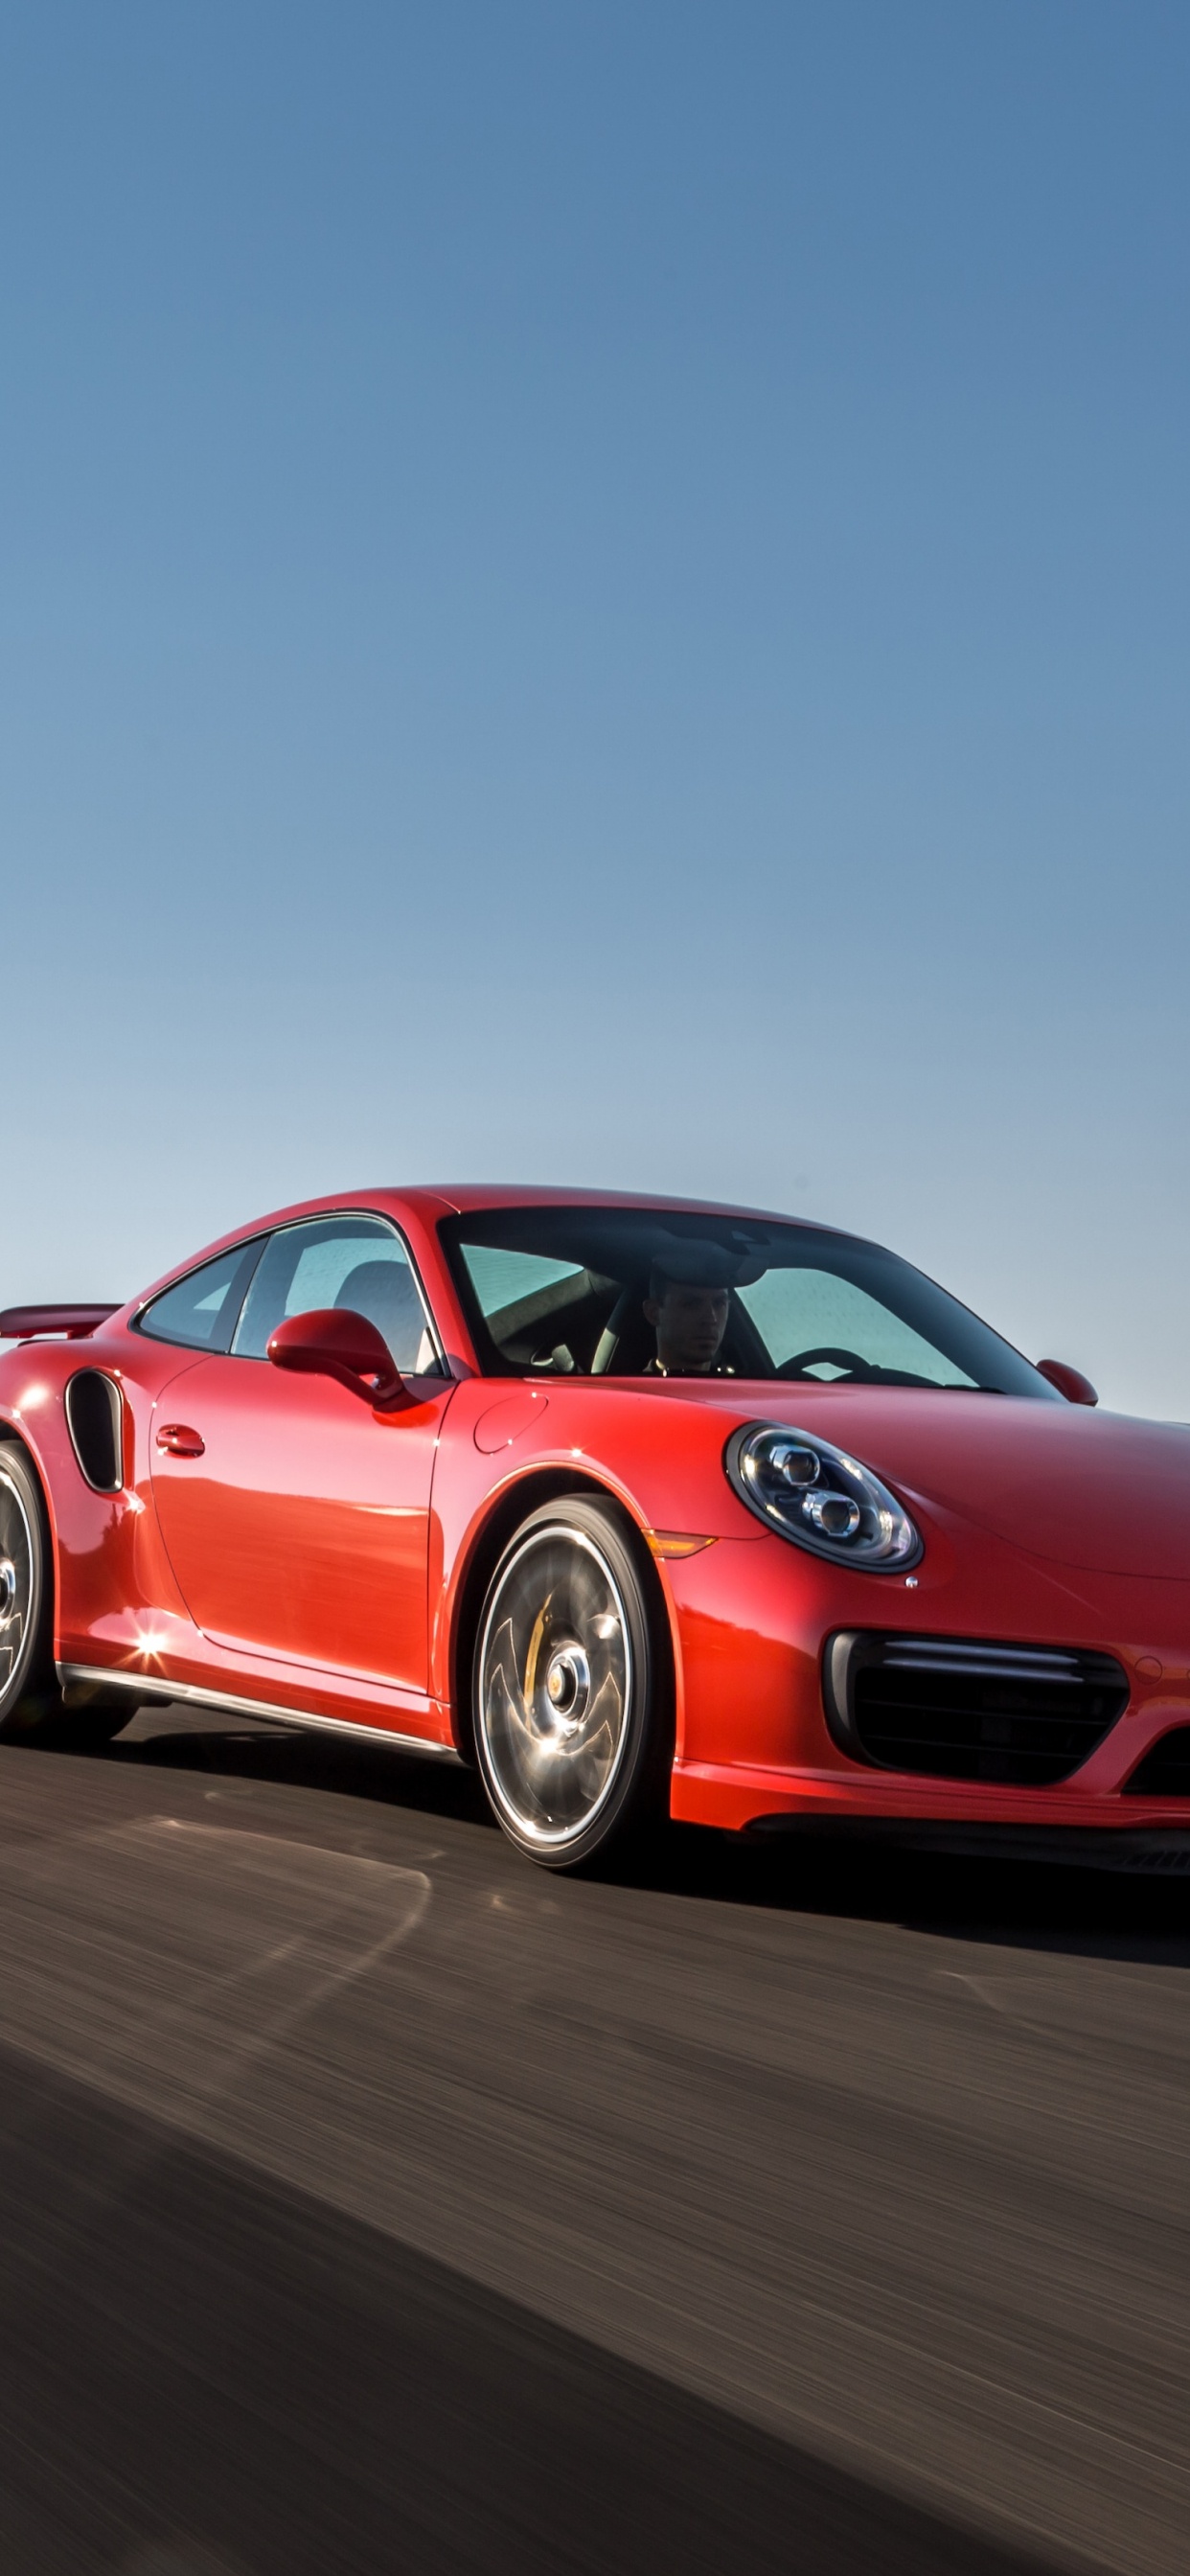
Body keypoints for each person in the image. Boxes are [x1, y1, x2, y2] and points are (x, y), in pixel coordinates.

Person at [642, 1258, 736, 1375]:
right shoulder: (630, 1392)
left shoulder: (735, 1390)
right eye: (691, 1304)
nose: (711, 1319)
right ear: (654, 1313)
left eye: (719, 1303)